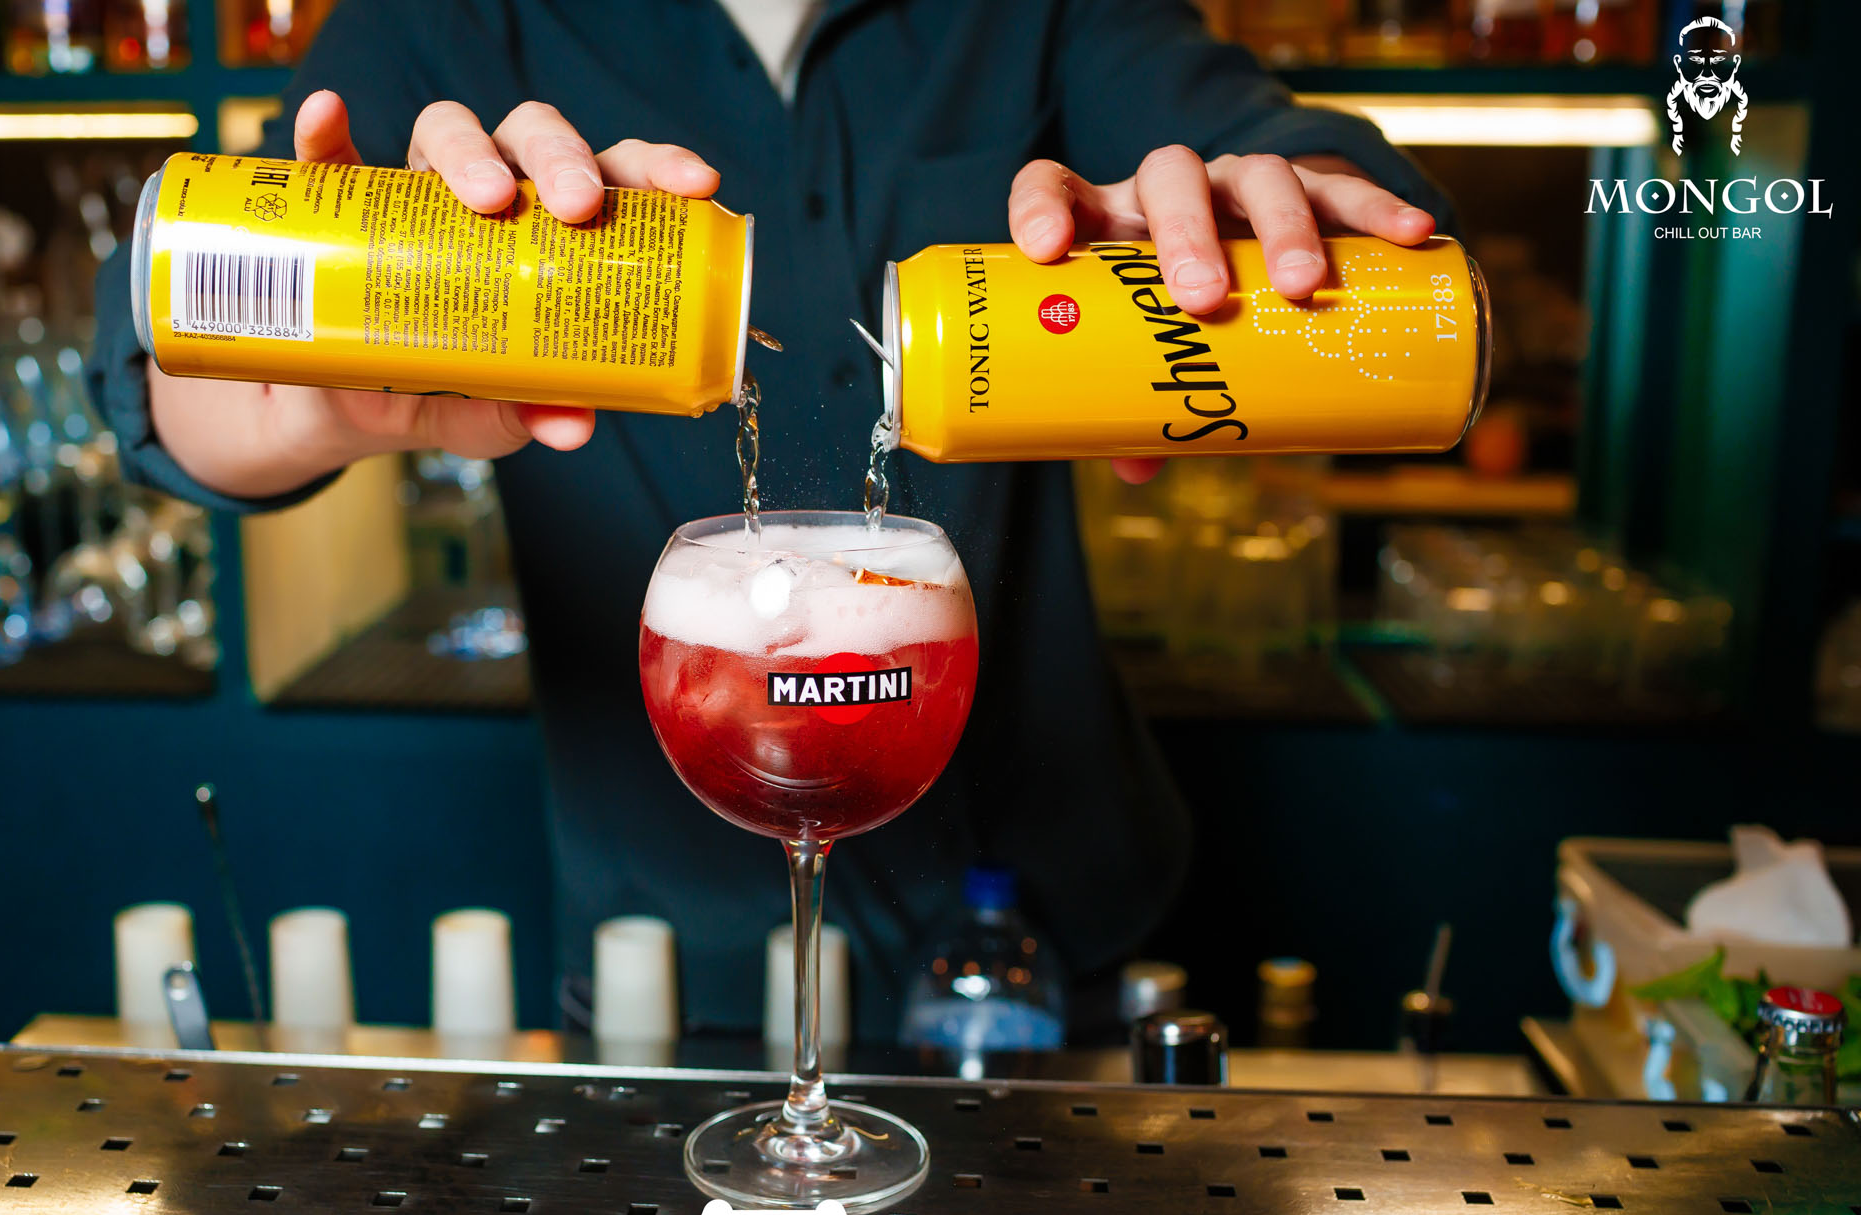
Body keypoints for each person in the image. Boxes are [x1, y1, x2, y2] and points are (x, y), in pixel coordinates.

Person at [88, 0, 1451, 1043]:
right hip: (672, 976)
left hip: (1051, 949)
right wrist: (314, 404)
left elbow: (1310, 168)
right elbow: (154, 361)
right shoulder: (448, 19)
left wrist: (1279, 213)